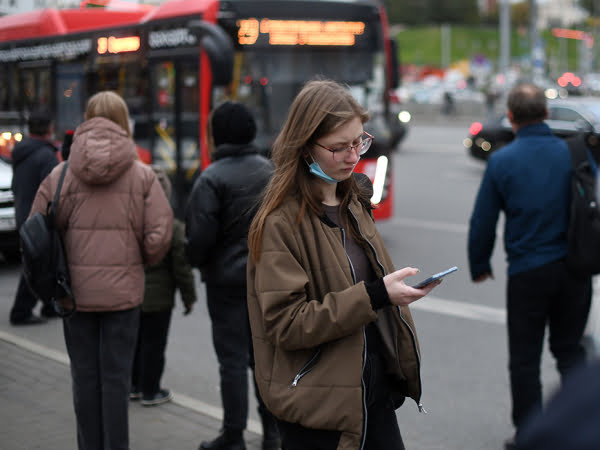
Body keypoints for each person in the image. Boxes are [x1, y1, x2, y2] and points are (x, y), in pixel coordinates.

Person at [246, 79, 440, 450]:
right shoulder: (279, 222)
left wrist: (391, 295)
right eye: (339, 148)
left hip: (372, 394)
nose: (353, 157)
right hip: (319, 408)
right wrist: (376, 295)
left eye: (358, 142)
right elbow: (285, 324)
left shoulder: (355, 202)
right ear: (304, 148)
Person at [29, 91, 173, 450]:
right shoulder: (142, 175)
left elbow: (35, 229)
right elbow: (160, 235)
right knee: (117, 382)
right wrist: (136, 258)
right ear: (125, 121)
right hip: (123, 297)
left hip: (73, 294)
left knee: (84, 380)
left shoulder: (61, 174)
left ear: (87, 119)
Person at [467, 82, 591, 449]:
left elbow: (482, 221)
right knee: (570, 352)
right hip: (574, 271)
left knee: (525, 360)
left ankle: (530, 435)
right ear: (547, 113)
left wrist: (480, 263)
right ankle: (581, 431)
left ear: (510, 117)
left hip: (527, 274)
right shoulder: (573, 154)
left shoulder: (502, 160)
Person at [185, 101, 279, 450]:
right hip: (267, 282)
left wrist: (197, 261)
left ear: (217, 136)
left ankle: (234, 435)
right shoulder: (271, 172)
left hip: (225, 284)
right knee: (265, 360)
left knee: (232, 362)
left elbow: (200, 238)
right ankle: (273, 434)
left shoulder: (211, 178)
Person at [131, 168, 197, 407]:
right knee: (154, 346)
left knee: (136, 343)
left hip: (132, 295)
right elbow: (181, 268)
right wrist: (189, 297)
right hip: (159, 300)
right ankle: (151, 391)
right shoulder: (172, 225)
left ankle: (134, 386)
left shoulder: (130, 221)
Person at [9, 107, 59, 325]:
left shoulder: (22, 152)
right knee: (39, 263)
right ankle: (21, 310)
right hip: (40, 218)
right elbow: (54, 190)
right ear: (49, 129)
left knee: (41, 261)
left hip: (24, 214)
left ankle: (50, 304)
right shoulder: (46, 155)